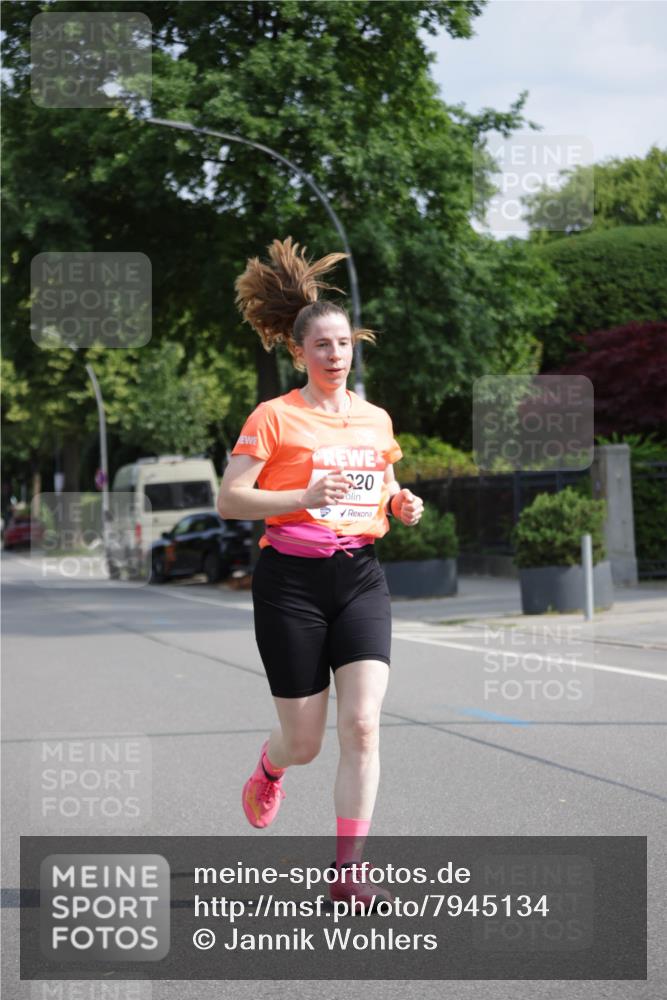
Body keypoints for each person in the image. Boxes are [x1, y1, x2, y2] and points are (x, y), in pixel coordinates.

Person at [218, 236, 424, 911]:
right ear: (299, 351)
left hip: (360, 576)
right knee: (305, 743)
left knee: (362, 725)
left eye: (343, 344)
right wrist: (299, 499)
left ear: (353, 347)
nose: (335, 355)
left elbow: (386, 483)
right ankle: (270, 767)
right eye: (322, 347)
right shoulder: (274, 418)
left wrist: (401, 502)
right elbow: (230, 499)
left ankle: (347, 871)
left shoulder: (374, 418)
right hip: (291, 585)